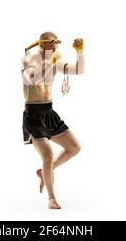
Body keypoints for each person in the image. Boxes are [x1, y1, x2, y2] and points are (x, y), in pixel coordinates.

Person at [21, 32, 85, 209]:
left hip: (49, 112)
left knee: (74, 147)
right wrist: (50, 62)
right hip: (33, 114)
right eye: (52, 45)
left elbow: (79, 70)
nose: (56, 48)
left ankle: (44, 172)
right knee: (48, 156)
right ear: (42, 45)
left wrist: (80, 52)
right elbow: (33, 79)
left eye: (56, 45)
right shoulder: (28, 60)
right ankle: (51, 199)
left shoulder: (53, 62)